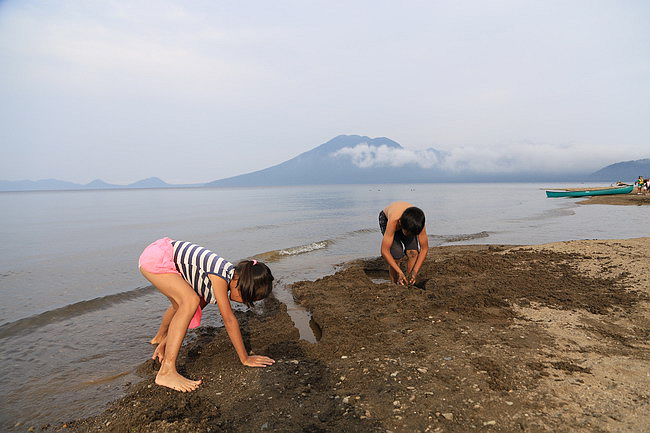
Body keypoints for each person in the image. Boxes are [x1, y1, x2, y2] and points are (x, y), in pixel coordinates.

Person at [138, 237, 275, 392]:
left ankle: (160, 340)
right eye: (248, 298)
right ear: (241, 285)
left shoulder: (224, 276)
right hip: (158, 257)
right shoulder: (220, 277)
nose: (244, 302)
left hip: (158, 253)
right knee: (189, 301)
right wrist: (245, 358)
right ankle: (166, 371)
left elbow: (189, 314)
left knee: (183, 306)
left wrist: (167, 342)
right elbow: (229, 320)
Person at [378, 202, 429, 285]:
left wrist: (415, 271)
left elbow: (424, 248)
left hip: (408, 220)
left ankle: (409, 280)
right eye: (408, 232)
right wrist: (399, 272)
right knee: (396, 254)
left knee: (413, 252)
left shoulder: (418, 222)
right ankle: (394, 283)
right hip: (387, 218)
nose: (410, 235)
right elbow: (384, 251)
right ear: (401, 224)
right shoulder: (394, 221)